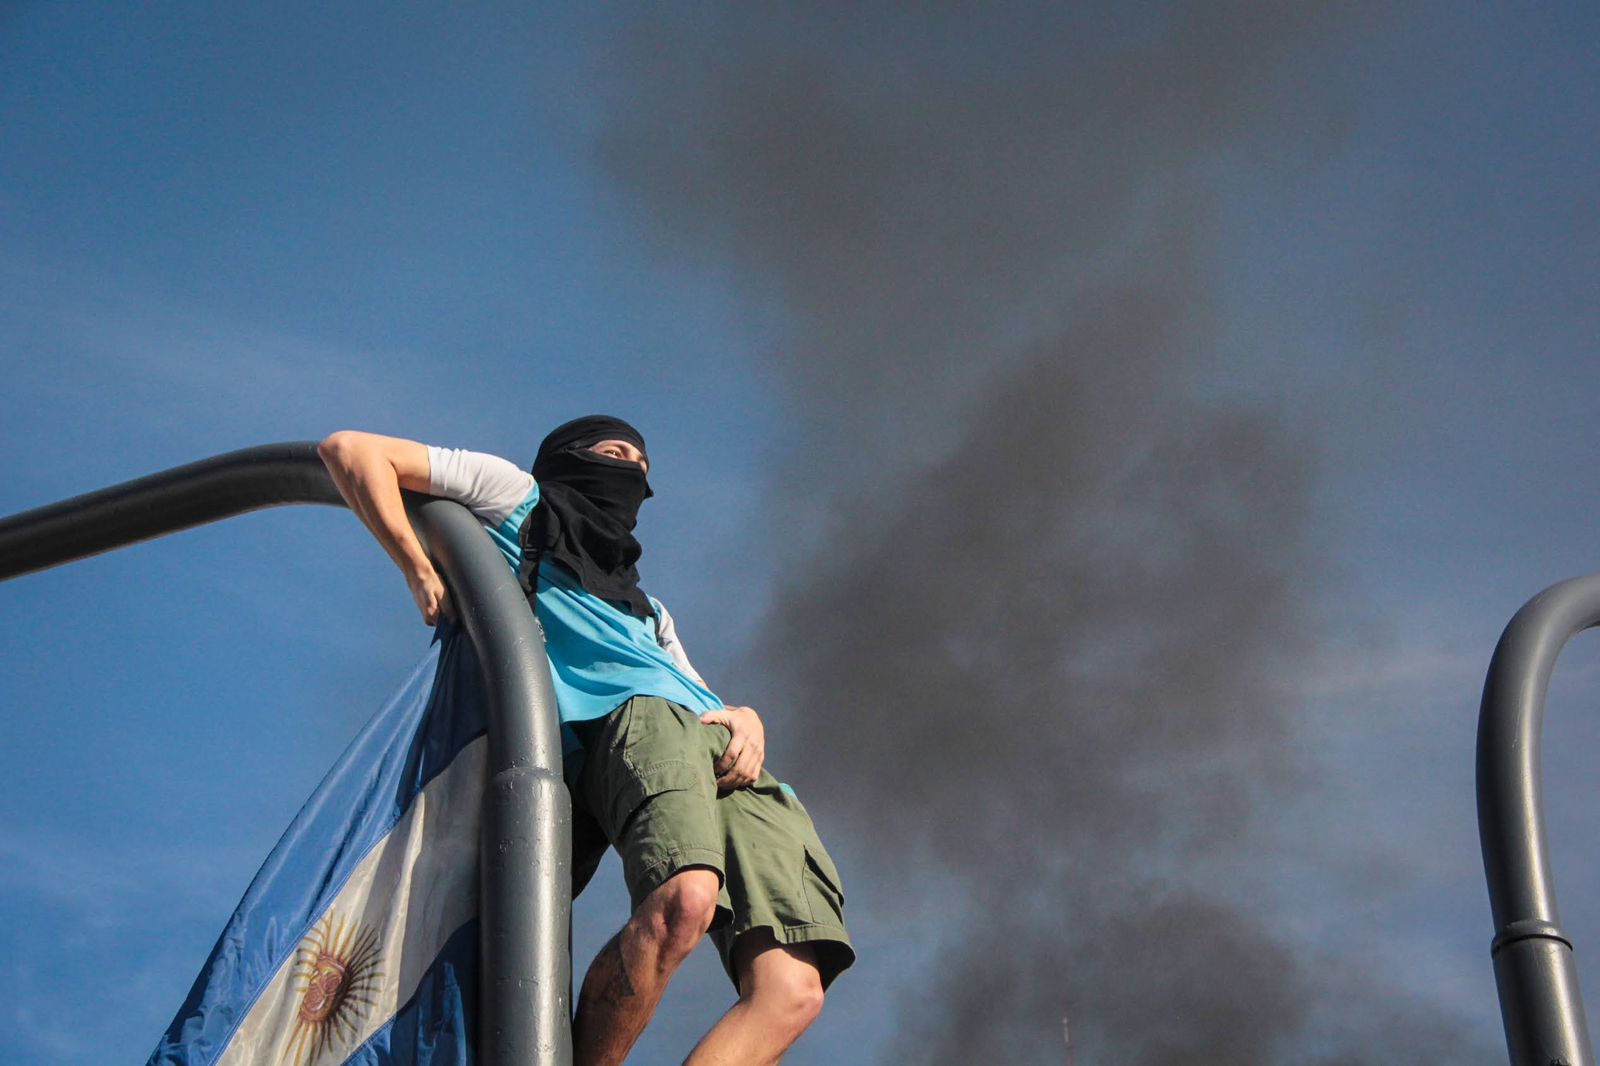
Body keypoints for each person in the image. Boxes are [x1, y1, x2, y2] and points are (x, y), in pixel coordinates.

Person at [318, 417, 853, 1066]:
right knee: (683, 901)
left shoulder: (649, 611)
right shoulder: (516, 495)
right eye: (613, 452)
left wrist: (748, 715)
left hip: (722, 746)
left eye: (642, 464)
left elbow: (696, 690)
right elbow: (351, 451)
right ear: (567, 459)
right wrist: (415, 565)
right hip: (631, 720)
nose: (632, 470)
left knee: (793, 992)